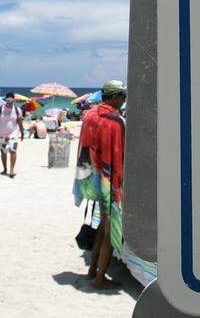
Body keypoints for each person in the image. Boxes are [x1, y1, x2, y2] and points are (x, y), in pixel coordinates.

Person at [88, 80, 127, 289]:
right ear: (114, 97)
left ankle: (92, 270)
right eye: (122, 96)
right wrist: (118, 188)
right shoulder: (115, 121)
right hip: (110, 181)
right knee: (110, 232)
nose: (124, 100)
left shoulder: (93, 116)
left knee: (102, 226)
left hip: (97, 176)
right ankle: (100, 279)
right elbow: (119, 155)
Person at [0, 95, 24, 177]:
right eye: (8, 98)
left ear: (14, 100)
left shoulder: (17, 110)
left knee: (13, 150)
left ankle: (11, 170)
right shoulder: (0, 109)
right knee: (3, 152)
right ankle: (5, 169)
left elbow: (20, 122)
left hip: (13, 133)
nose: (9, 100)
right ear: (6, 99)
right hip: (1, 133)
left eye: (11, 98)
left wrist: (22, 133)